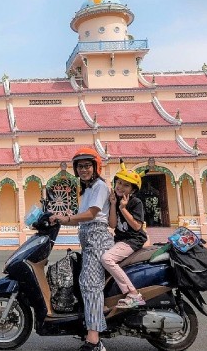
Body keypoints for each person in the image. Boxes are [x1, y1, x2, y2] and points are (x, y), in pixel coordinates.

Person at [50, 148, 113, 351]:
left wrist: (68, 218)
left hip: (98, 240)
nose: (83, 169)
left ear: (96, 167)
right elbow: (81, 217)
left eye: (87, 165)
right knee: (81, 279)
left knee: (89, 283)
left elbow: (91, 215)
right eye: (80, 166)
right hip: (88, 239)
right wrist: (58, 217)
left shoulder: (100, 186)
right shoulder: (86, 190)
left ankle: (94, 341)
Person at [101, 160, 148, 309]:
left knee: (107, 259)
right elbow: (113, 225)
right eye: (119, 183)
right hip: (120, 239)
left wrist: (123, 208)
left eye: (126, 185)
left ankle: (133, 294)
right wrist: (114, 205)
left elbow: (136, 226)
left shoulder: (135, 202)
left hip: (133, 240)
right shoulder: (114, 199)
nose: (121, 187)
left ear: (133, 190)